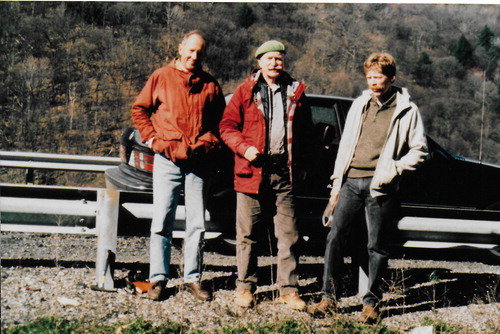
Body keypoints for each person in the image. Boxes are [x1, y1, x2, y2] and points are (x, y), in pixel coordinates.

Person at [309, 53, 428, 323]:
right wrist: (337, 182)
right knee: (335, 239)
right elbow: (346, 145)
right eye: (370, 77)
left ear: (392, 78)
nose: (374, 82)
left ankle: (371, 304)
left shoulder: (406, 109)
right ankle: (328, 298)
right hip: (350, 182)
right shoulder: (360, 103)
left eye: (379, 78)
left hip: (380, 186)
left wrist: (394, 170)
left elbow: (420, 150)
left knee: (377, 246)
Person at [131, 30, 226, 301]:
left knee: (196, 222)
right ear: (181, 48)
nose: (194, 56)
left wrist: (208, 143)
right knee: (162, 220)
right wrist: (153, 140)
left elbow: (222, 124)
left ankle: (193, 278)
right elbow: (140, 110)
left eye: (200, 52)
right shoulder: (161, 76)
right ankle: (158, 279)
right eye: (190, 50)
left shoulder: (210, 84)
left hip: (200, 162)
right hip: (167, 158)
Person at [219, 40, 313, 311]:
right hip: (251, 171)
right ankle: (245, 287)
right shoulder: (245, 91)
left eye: (279, 59)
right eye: (269, 58)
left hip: (284, 173)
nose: (274, 63)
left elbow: (306, 133)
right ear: (259, 62)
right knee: (247, 234)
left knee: (289, 235)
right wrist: (244, 147)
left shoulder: (295, 92)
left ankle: (289, 290)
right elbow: (226, 127)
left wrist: (304, 163)